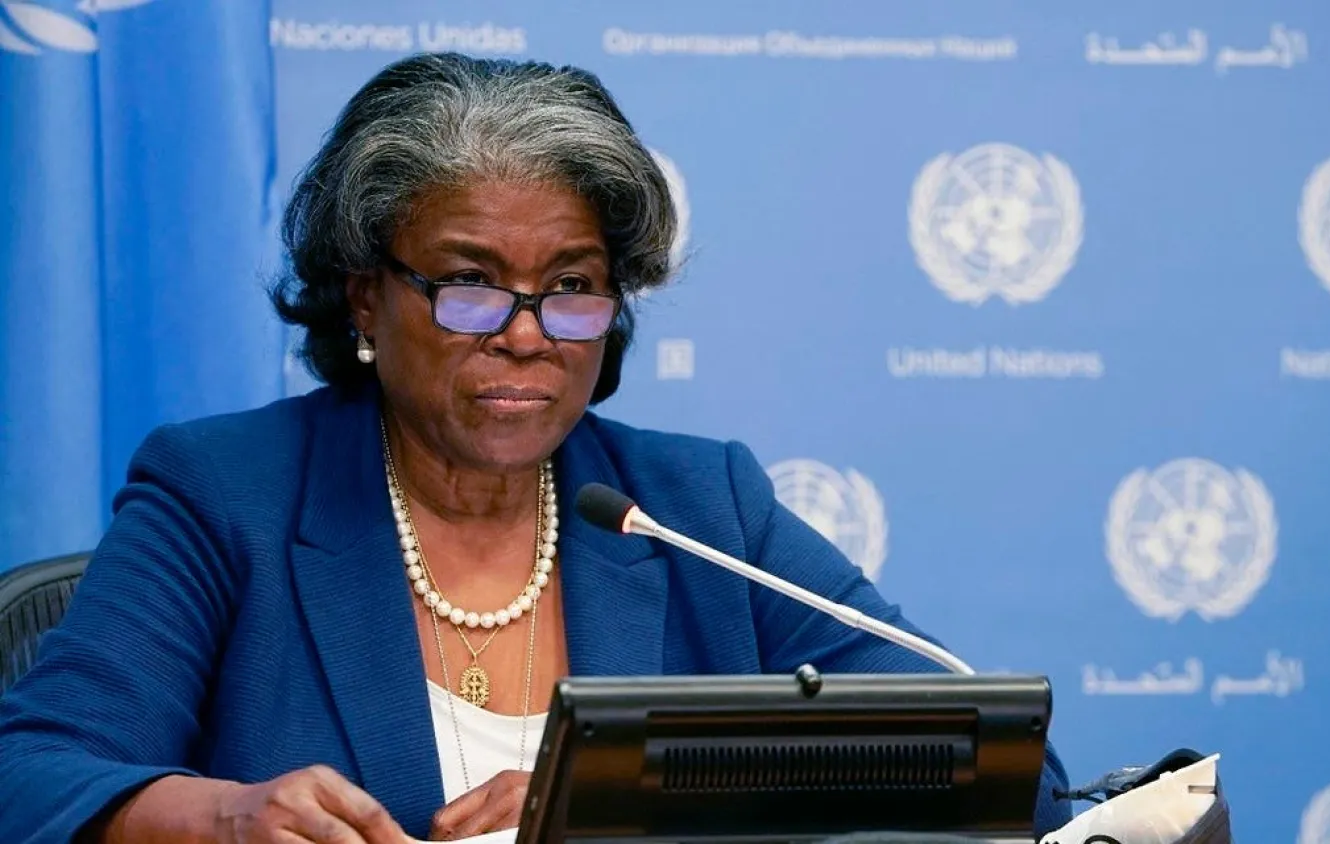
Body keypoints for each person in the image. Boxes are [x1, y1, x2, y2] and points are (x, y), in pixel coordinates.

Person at [0, 53, 1072, 843]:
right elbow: (27, 776)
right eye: (470, 284)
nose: (524, 333)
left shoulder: (698, 505)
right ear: (367, 298)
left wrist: (647, 810)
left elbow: (1013, 770)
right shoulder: (226, 493)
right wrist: (224, 817)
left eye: (570, 288)